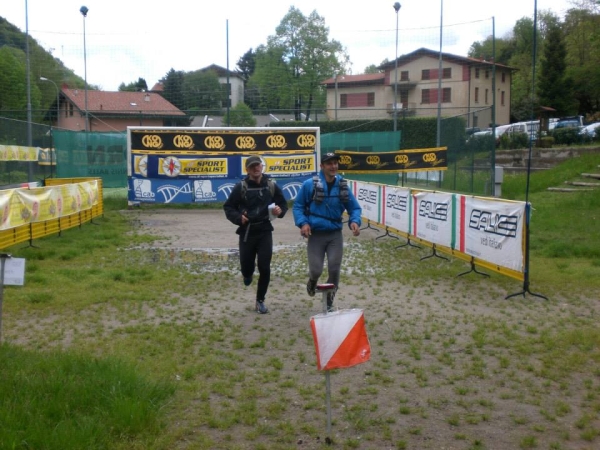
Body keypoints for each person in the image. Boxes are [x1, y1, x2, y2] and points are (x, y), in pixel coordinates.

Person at [293, 153, 362, 312]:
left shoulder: (343, 186)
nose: (333, 166)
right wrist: (303, 223)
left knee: (334, 268)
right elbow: (298, 207)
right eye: (329, 163)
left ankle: (330, 301)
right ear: (322, 166)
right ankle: (312, 281)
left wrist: (354, 221)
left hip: (334, 234)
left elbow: (355, 208)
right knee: (316, 269)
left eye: (335, 163)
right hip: (316, 234)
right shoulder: (309, 185)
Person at [224, 155, 288, 314]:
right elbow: (228, 207)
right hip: (247, 232)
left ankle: (260, 300)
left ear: (261, 166)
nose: (256, 168)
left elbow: (283, 204)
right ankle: (247, 274)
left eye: (257, 165)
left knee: (265, 267)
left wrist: (279, 211)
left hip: (265, 231)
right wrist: (239, 218)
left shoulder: (271, 185)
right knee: (246, 267)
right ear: (247, 170)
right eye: (252, 166)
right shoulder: (241, 187)